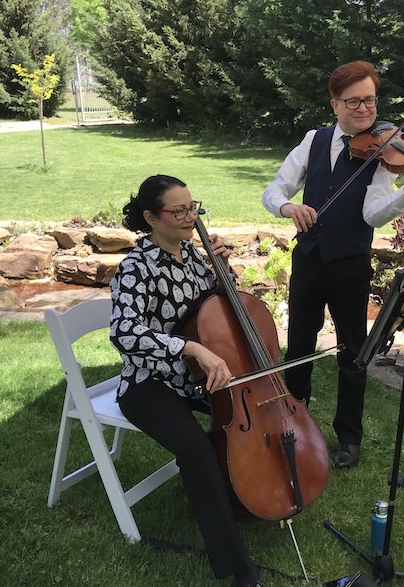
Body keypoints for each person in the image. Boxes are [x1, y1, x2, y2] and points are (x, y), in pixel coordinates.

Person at [261, 60, 404, 470]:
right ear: (335, 105)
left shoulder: (383, 151)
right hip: (309, 259)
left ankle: (348, 437)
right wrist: (289, 206)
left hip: (349, 264)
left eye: (371, 100)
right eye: (354, 101)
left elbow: (374, 215)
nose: (364, 109)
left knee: (352, 352)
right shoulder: (313, 141)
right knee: (300, 345)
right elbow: (275, 188)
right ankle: (295, 421)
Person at [110, 174, 263, 587]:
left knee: (264, 413)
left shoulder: (195, 256)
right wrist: (189, 348)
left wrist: (223, 267)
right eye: (178, 210)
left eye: (192, 207)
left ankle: (253, 495)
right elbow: (123, 333)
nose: (189, 216)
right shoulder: (135, 268)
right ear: (150, 217)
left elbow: (226, 310)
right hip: (149, 383)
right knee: (196, 449)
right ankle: (238, 568)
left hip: (200, 379)